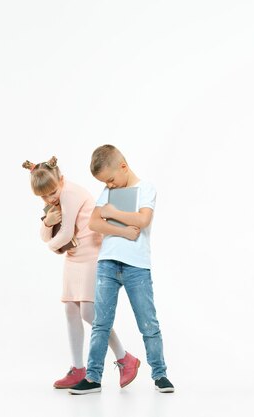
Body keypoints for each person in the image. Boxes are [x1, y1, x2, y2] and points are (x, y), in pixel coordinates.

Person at [22, 156, 139, 389]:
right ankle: (77, 368)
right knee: (70, 309)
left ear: (61, 180)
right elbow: (47, 234)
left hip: (90, 256)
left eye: (51, 193)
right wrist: (47, 223)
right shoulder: (54, 198)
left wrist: (50, 245)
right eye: (43, 197)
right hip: (73, 258)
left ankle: (125, 358)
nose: (49, 198)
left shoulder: (70, 194)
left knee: (89, 312)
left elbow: (63, 236)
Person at [68, 145, 174, 395]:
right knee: (100, 324)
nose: (110, 185)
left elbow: (143, 220)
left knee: (148, 323)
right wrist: (123, 230)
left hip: (137, 266)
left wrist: (113, 213)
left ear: (123, 167)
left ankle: (160, 374)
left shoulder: (146, 188)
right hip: (107, 264)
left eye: (111, 179)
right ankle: (93, 378)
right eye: (106, 182)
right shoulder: (107, 191)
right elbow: (95, 223)